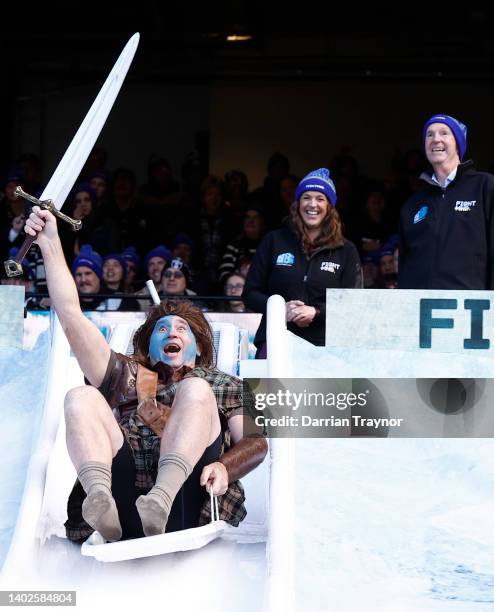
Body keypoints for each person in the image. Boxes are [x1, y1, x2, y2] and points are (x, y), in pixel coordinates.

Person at [24, 205, 267, 542]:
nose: (172, 333)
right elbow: (70, 315)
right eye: (162, 329)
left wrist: (226, 467)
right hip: (123, 508)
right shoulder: (126, 375)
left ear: (197, 347)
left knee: (196, 390)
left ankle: (161, 497)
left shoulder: (225, 385)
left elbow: (256, 441)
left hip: (188, 501)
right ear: (148, 345)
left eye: (183, 329)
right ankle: (98, 497)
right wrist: (50, 244)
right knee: (80, 396)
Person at [244, 168, 362, 353]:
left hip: (326, 349)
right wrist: (280, 308)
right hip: (275, 343)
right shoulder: (274, 240)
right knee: (269, 384)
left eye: (320, 198)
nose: (312, 204)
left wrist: (316, 312)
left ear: (330, 206)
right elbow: (250, 293)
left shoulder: (346, 250)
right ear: (298, 203)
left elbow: (354, 304)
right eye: (306, 197)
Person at [399, 114, 494, 289]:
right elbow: (405, 264)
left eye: (444, 133)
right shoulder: (412, 204)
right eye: (429, 135)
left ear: (458, 143)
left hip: (472, 308)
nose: (435, 139)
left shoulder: (485, 186)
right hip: (420, 309)